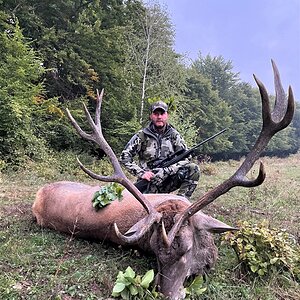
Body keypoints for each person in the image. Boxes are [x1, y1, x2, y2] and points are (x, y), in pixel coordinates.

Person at [120, 100, 200, 199]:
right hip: (149, 181)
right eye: (156, 114)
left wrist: (167, 171)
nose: (159, 117)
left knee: (193, 169)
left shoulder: (174, 135)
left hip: (168, 179)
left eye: (162, 113)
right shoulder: (142, 135)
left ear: (167, 115)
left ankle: (180, 202)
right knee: (141, 209)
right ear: (151, 116)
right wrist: (142, 173)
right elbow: (124, 156)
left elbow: (187, 157)